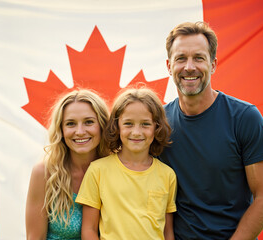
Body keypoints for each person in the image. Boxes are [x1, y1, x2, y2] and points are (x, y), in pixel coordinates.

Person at [159, 21, 263, 240]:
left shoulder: (244, 117)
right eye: (181, 58)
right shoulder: (159, 123)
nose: (189, 67)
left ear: (213, 65)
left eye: (199, 58)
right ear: (169, 65)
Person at [77, 87, 177, 240]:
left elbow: (167, 232)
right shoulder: (98, 170)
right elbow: (89, 230)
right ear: (117, 126)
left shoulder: (167, 175)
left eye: (145, 124)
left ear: (157, 127)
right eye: (128, 124)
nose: (136, 132)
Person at [25, 89, 110, 240]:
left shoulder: (117, 170)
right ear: (61, 130)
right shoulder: (44, 173)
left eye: (89, 122)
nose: (80, 131)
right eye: (70, 124)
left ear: (102, 125)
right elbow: (35, 237)